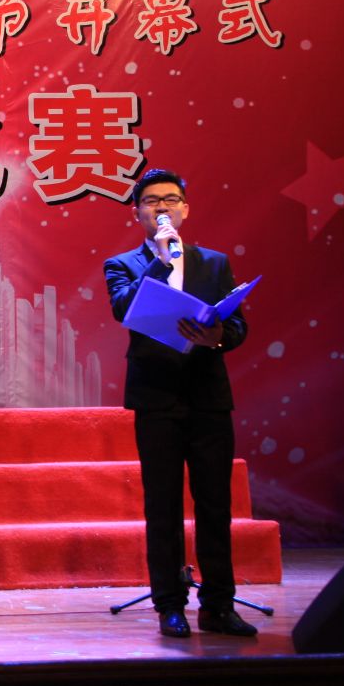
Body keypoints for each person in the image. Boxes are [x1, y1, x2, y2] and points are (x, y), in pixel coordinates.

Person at [104, 168, 256, 639]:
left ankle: (219, 605)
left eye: (171, 199)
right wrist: (161, 261)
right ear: (138, 213)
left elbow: (238, 325)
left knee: (215, 504)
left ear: (186, 209)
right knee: (163, 505)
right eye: (152, 201)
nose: (162, 207)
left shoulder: (214, 263)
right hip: (157, 397)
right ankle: (170, 604)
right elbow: (124, 308)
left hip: (208, 395)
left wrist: (218, 336)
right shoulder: (123, 264)